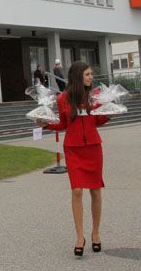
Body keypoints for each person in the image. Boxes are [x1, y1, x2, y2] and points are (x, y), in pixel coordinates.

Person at [42, 61, 110, 256]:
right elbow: (63, 124)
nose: (91, 77)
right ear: (78, 76)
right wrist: (45, 124)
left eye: (91, 74)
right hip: (73, 149)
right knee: (77, 191)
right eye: (87, 74)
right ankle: (80, 236)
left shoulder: (95, 96)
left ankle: (95, 233)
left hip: (93, 148)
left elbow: (98, 120)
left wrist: (109, 112)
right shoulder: (63, 98)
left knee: (95, 191)